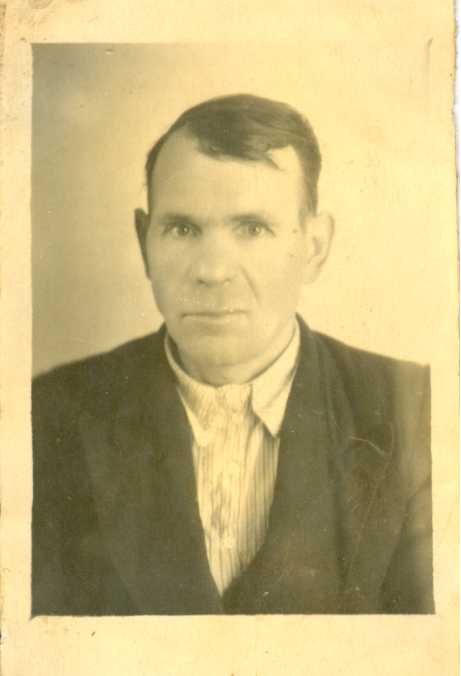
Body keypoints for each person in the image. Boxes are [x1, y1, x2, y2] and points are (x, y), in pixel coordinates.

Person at [32, 94, 434, 615]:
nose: (213, 271)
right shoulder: (49, 412)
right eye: (182, 229)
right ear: (144, 241)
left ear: (313, 248)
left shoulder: (419, 409)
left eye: (252, 228)